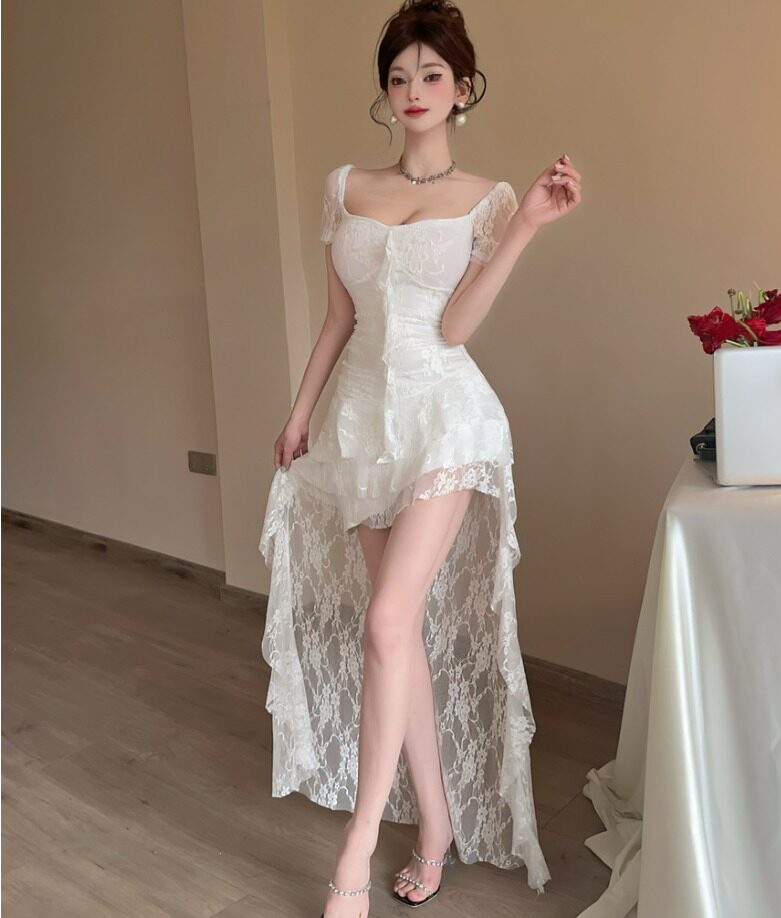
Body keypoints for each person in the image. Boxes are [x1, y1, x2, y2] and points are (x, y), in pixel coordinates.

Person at [257, 2, 581, 915]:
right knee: (396, 637)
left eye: (431, 75)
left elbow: (454, 326)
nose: (413, 90)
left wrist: (524, 226)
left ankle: (357, 847)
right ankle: (434, 825)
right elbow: (338, 318)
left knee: (385, 620)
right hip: (360, 424)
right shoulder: (345, 186)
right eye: (399, 76)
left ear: (462, 88)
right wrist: (300, 412)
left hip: (445, 420)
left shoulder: (489, 198)